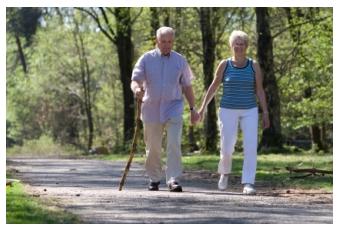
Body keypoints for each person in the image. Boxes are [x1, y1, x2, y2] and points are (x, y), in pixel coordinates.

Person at [198, 30, 270, 195]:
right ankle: (224, 172)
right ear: (231, 46)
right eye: (236, 44)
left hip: (249, 109)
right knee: (227, 146)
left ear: (246, 46)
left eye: (242, 44)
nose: (239, 47)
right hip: (227, 110)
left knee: (250, 146)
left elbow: (259, 90)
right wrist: (202, 107)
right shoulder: (224, 65)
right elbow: (214, 87)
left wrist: (265, 112)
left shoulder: (254, 66)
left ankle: (248, 182)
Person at [131, 26, 200, 192]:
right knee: (153, 147)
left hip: (173, 107)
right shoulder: (146, 59)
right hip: (151, 108)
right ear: (157, 41)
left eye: (170, 42)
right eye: (163, 41)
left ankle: (173, 179)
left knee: (174, 143)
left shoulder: (180, 60)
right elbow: (135, 80)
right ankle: (154, 178)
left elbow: (187, 86)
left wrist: (193, 108)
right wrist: (137, 90)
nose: (167, 45)